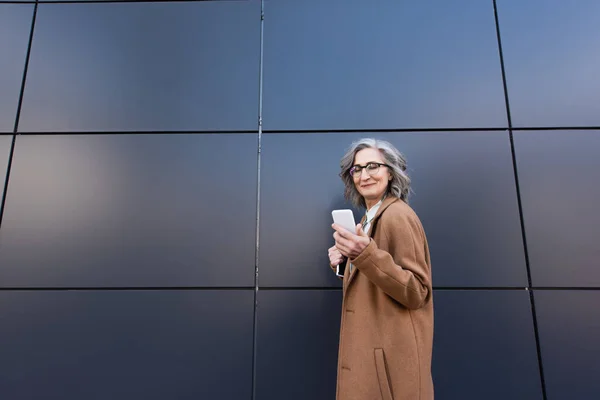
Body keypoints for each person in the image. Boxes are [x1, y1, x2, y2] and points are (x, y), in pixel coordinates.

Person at [328, 138, 434, 400]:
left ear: (391, 172)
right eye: (357, 169)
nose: (364, 175)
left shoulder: (398, 216)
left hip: (389, 374)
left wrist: (363, 254)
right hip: (376, 365)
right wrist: (345, 263)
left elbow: (416, 291)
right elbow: (376, 272)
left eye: (373, 166)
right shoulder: (369, 217)